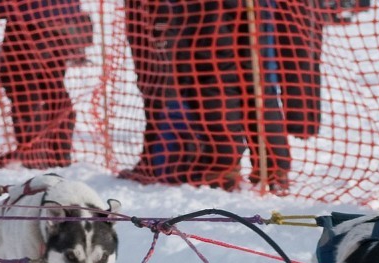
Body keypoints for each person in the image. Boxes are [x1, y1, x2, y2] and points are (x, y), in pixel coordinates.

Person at [122, 0, 291, 192]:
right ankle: (274, 168)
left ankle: (222, 166)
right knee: (256, 78)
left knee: (216, 78)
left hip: (208, 11)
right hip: (250, 8)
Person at [0, 0, 90, 169]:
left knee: (21, 84)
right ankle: (58, 152)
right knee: (51, 83)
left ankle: (32, 150)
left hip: (30, 17)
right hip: (59, 16)